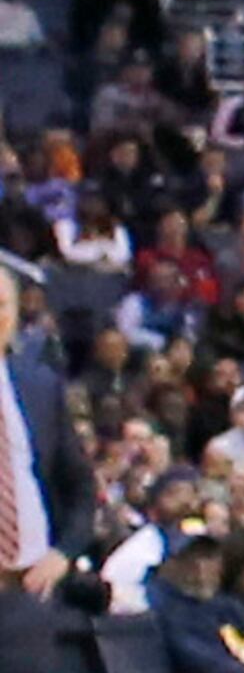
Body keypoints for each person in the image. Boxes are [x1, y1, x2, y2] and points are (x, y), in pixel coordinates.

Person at [1, 258, 98, 666]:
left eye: (3, 304)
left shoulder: (39, 385)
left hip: (30, 593)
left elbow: (80, 485)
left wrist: (63, 553)